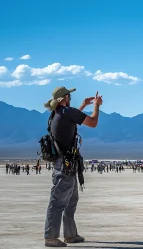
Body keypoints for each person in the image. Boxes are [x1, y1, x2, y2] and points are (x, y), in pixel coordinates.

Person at [43, 86, 103, 247]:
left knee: (71, 200)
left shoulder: (57, 113)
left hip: (65, 164)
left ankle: (70, 235)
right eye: (69, 95)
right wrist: (96, 105)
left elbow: (71, 118)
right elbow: (93, 122)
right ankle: (51, 237)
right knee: (58, 201)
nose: (70, 97)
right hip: (65, 164)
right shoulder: (67, 112)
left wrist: (83, 105)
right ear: (64, 98)